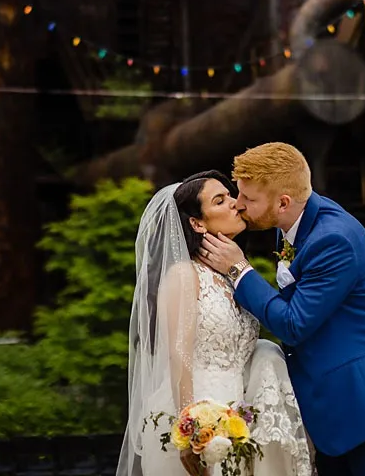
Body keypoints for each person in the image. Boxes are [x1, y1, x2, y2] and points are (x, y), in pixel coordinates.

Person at [197, 143, 365, 476]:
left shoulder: (334, 240)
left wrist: (240, 270)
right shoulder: (293, 225)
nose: (239, 203)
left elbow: (294, 324)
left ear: (283, 203)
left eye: (248, 198)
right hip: (334, 408)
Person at [118, 171, 313, 476]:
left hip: (238, 416)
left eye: (230, 195)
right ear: (197, 223)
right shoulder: (184, 275)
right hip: (199, 416)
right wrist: (191, 428)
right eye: (220, 200)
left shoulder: (230, 277)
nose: (236, 203)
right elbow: (179, 356)